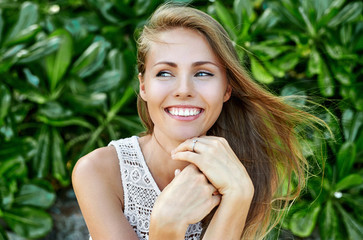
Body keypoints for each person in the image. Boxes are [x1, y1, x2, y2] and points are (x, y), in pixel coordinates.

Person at [72, 3, 325, 240]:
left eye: (203, 73)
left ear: (227, 89)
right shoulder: (98, 172)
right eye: (165, 73)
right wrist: (166, 226)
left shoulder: (245, 171)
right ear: (144, 86)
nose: (184, 90)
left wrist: (239, 193)